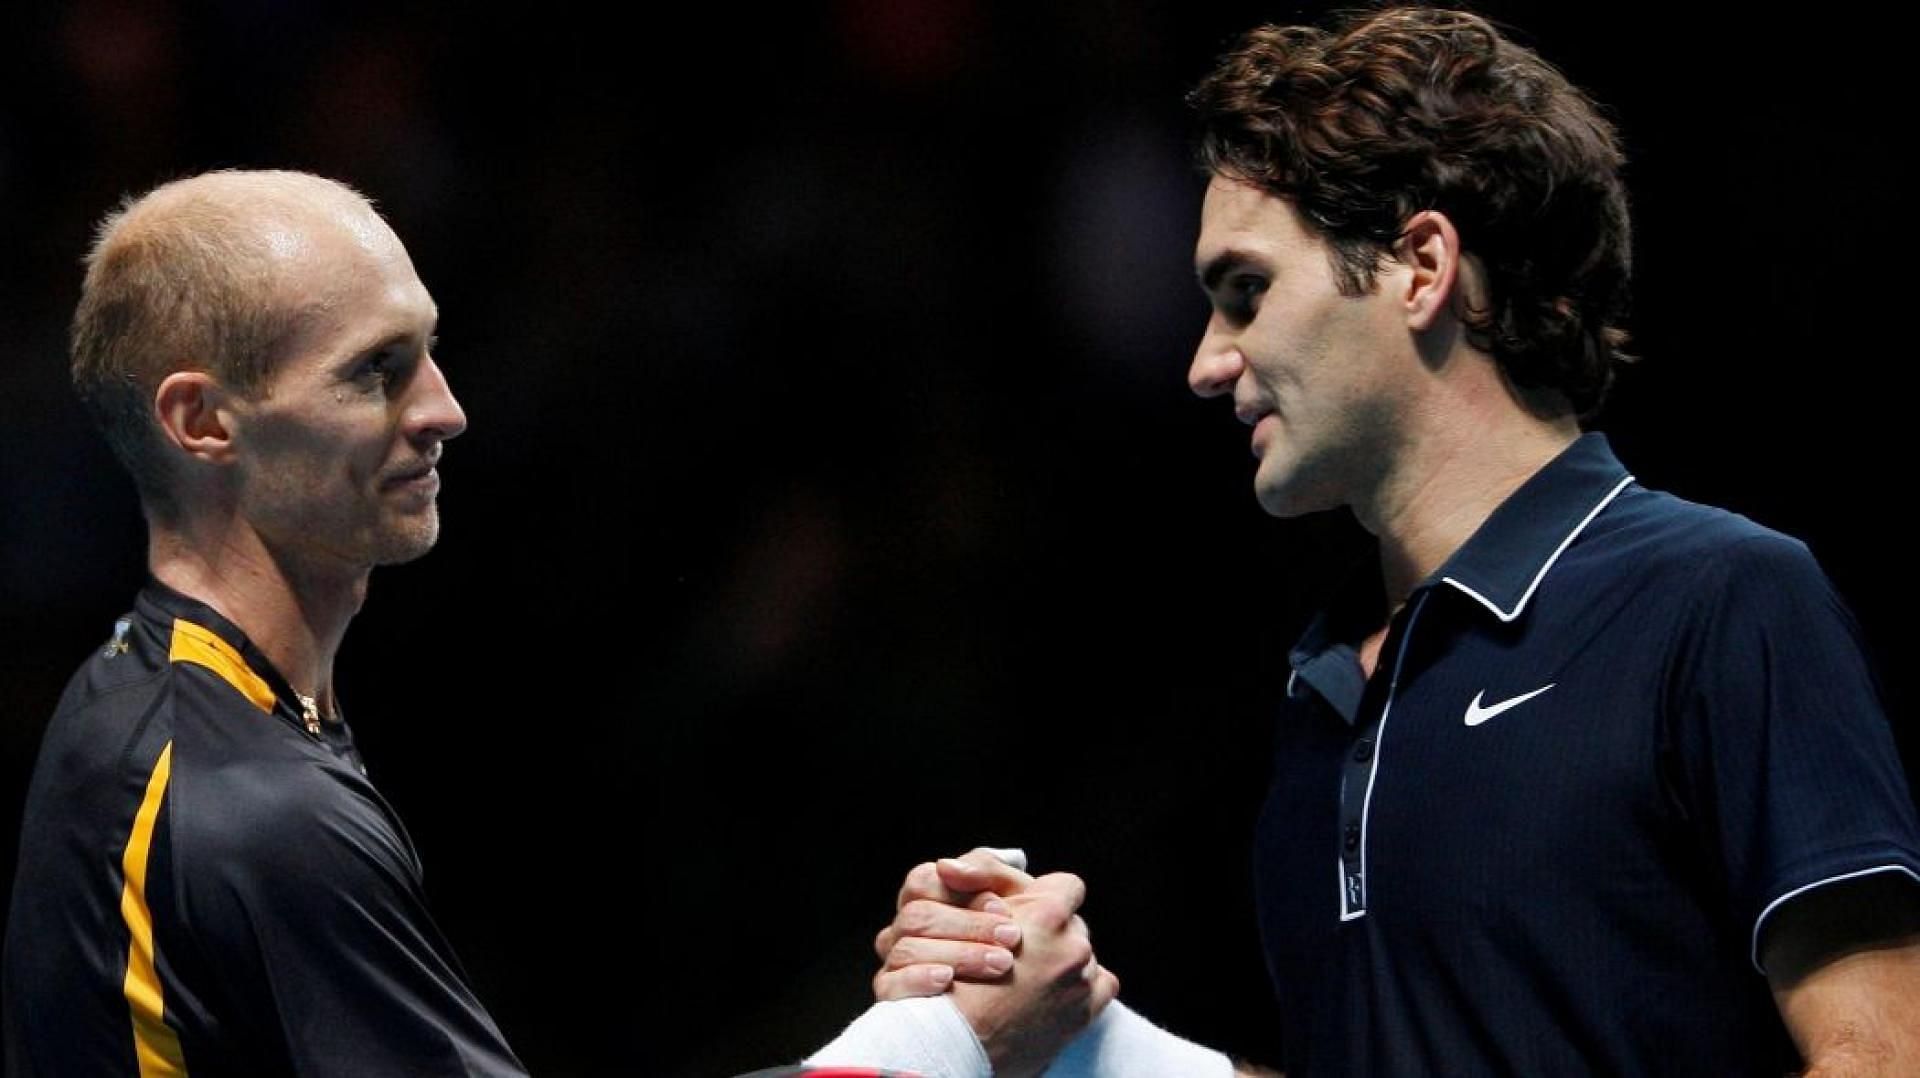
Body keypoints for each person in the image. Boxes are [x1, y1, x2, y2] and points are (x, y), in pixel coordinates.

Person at [863, 7, 1920, 1075]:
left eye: (1246, 293)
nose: (1205, 363)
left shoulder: (1723, 597)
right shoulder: (1325, 695)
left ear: (1420, 264)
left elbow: (1882, 1055)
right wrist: (1076, 1036)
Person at [3, 170, 526, 1074]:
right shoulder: (257, 811)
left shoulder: (136, 687)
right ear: (202, 420)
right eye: (376, 370)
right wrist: (864, 1049)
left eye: (429, 351)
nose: (445, 410)